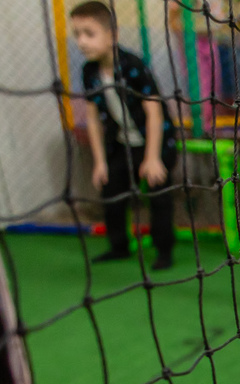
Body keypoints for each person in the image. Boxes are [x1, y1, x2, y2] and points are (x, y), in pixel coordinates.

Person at [71, 0, 178, 271]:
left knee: (158, 192)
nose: (82, 42)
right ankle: (119, 246)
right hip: (122, 143)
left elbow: (154, 112)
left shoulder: (133, 66)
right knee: (112, 190)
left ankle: (163, 250)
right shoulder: (89, 71)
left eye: (89, 34)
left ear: (112, 36)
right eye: (77, 34)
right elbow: (93, 118)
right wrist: (100, 162)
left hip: (156, 141)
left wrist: (152, 158)